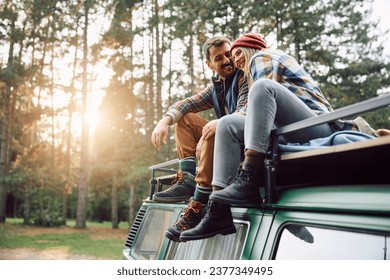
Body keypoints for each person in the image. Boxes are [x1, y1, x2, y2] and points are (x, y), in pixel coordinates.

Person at [179, 33, 336, 242]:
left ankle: (249, 178)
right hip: (293, 130)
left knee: (261, 89)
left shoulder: (263, 57)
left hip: (317, 126)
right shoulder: (245, 74)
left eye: (237, 53)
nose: (235, 60)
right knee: (226, 123)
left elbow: (262, 104)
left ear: (250, 48)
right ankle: (218, 212)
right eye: (232, 58)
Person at [150, 35, 248, 241]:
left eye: (228, 54)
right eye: (218, 58)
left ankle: (197, 205)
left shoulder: (243, 75)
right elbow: (186, 104)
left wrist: (219, 125)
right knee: (185, 119)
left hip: (244, 142)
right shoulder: (216, 88)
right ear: (210, 64)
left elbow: (244, 111)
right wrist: (164, 121)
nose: (227, 60)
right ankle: (187, 180)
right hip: (225, 138)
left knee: (215, 130)